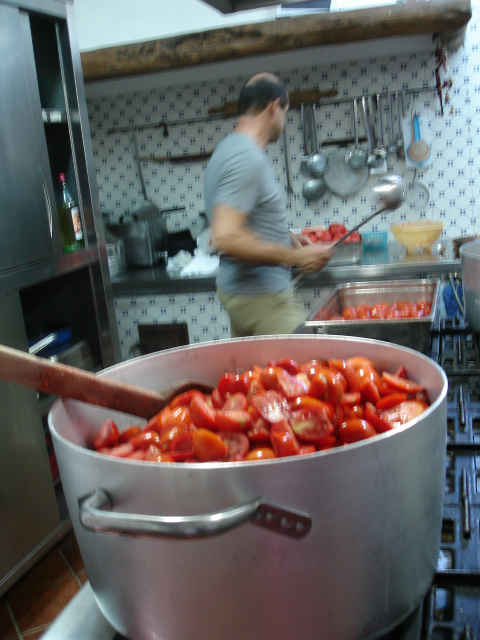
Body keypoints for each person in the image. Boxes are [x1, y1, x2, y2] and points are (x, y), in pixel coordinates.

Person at [204, 72, 334, 337]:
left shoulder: (227, 149)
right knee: (308, 361)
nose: (284, 120)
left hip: (244, 295)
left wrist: (285, 238)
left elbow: (240, 221)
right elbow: (226, 236)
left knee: (258, 366)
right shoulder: (246, 156)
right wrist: (295, 257)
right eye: (285, 112)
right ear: (275, 107)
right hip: (264, 299)